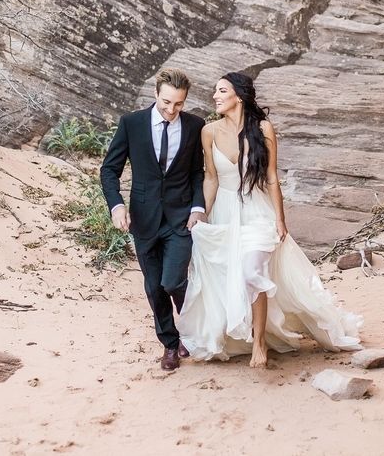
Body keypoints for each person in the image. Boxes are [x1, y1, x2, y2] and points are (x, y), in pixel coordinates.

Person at [178, 71, 362, 366]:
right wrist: (201, 212)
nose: (215, 96)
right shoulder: (209, 132)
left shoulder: (263, 128)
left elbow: (273, 177)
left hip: (256, 210)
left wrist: (280, 219)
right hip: (223, 210)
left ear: (238, 95)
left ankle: (259, 343)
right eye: (215, 91)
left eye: (221, 91)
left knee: (252, 273)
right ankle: (240, 335)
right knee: (228, 276)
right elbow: (211, 178)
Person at [100, 68, 206, 371]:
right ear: (155, 94)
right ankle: (170, 345)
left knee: (173, 280)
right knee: (153, 287)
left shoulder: (195, 126)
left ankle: (191, 331)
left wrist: (197, 207)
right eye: (166, 102)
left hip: (180, 219)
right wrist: (117, 206)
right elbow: (109, 169)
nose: (171, 110)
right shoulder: (131, 124)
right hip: (143, 220)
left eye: (179, 104)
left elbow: (197, 172)